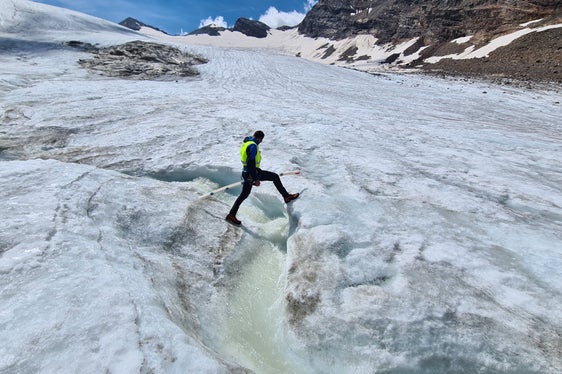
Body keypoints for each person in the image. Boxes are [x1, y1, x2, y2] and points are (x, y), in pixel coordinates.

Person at [226, 130, 299, 225]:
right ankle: (286, 196)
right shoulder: (253, 146)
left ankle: (231, 215)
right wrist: (255, 178)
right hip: (251, 173)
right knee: (275, 177)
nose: (261, 142)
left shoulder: (247, 143)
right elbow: (250, 163)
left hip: (246, 172)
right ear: (259, 138)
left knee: (244, 194)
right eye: (261, 140)